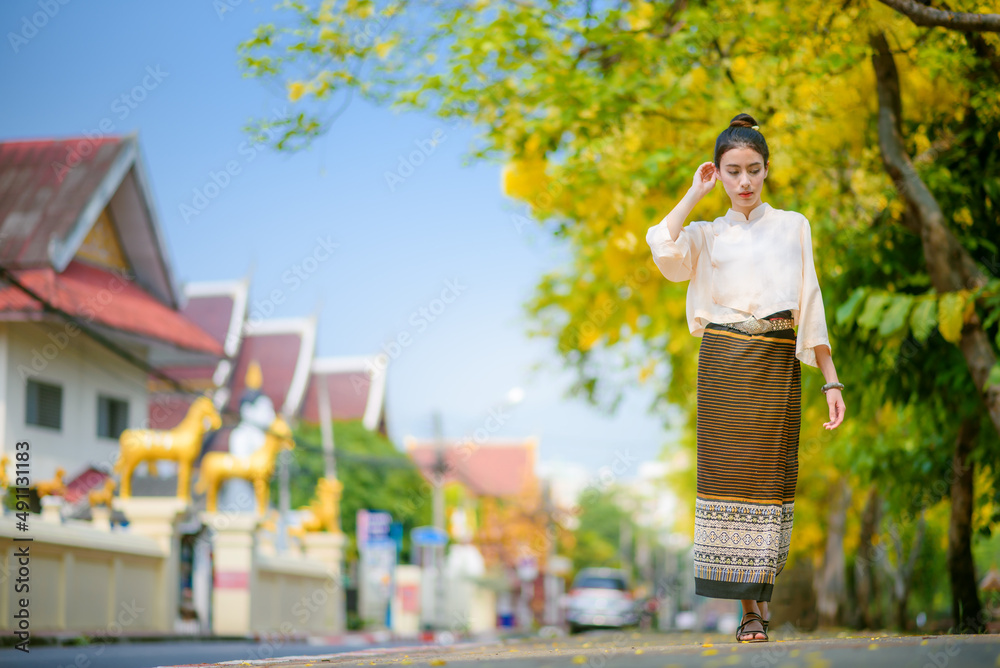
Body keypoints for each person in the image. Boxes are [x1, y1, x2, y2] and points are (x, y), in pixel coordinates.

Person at [645, 113, 846, 643]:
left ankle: (759, 602)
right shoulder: (706, 234)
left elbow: (811, 304)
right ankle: (750, 612)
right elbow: (663, 250)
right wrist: (693, 193)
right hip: (724, 363)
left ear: (766, 170)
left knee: (768, 481)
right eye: (732, 171)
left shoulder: (794, 225)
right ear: (719, 173)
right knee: (729, 479)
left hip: (776, 362)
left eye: (753, 170)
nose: (744, 182)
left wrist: (830, 380)